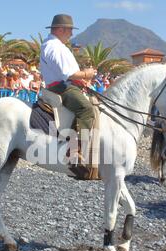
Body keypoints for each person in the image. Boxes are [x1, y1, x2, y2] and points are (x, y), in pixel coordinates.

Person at [39, 14, 97, 160]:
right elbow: (67, 73)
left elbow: (64, 72)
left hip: (63, 84)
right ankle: (74, 149)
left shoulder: (54, 45)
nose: (71, 34)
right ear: (60, 29)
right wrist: (86, 74)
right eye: (69, 30)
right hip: (61, 87)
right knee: (86, 109)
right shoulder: (54, 46)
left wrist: (80, 80)